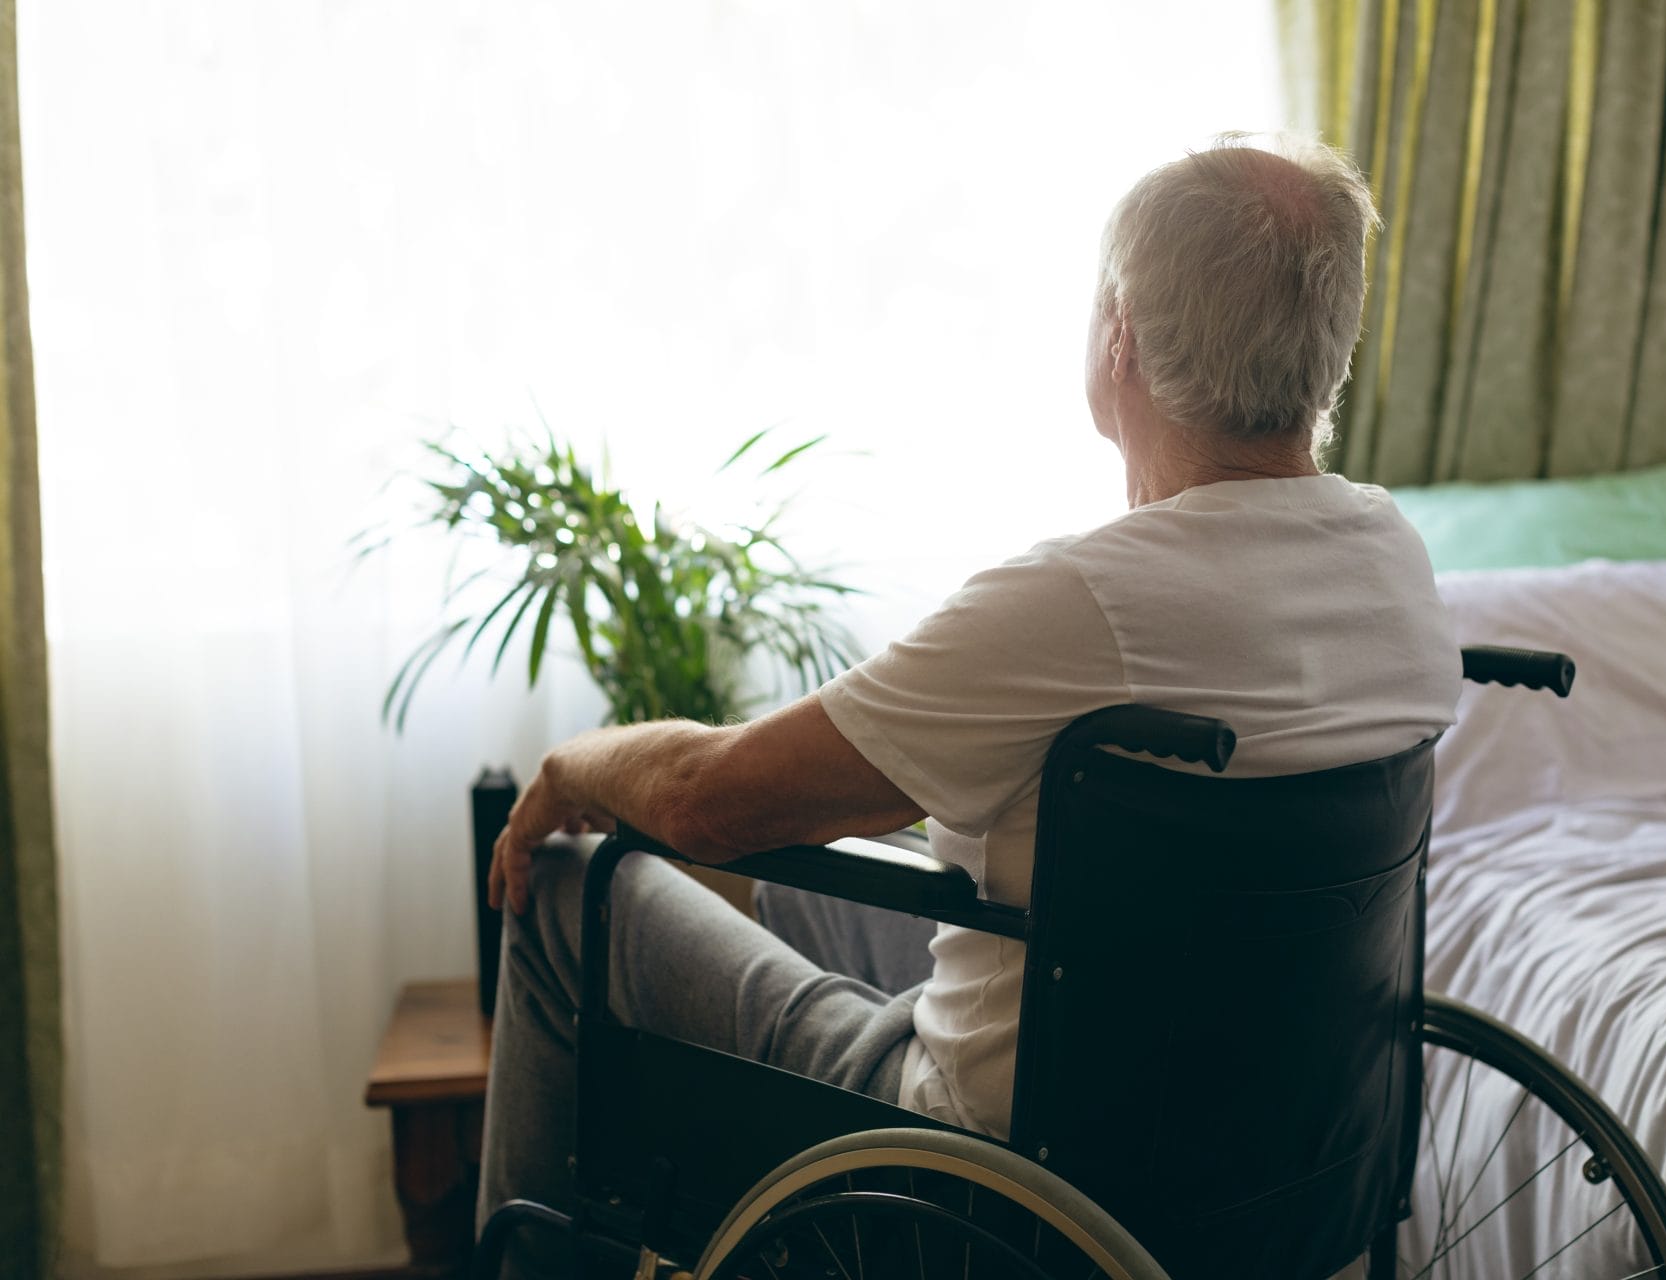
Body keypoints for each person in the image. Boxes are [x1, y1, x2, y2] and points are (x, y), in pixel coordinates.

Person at [476, 132, 1461, 1274]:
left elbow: (706, 798)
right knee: (798, 898)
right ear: (1331, 352)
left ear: (1119, 337)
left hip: (986, 1177)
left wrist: (569, 769)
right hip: (1275, 1166)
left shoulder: (1081, 600)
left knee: (563, 892)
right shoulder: (1393, 562)